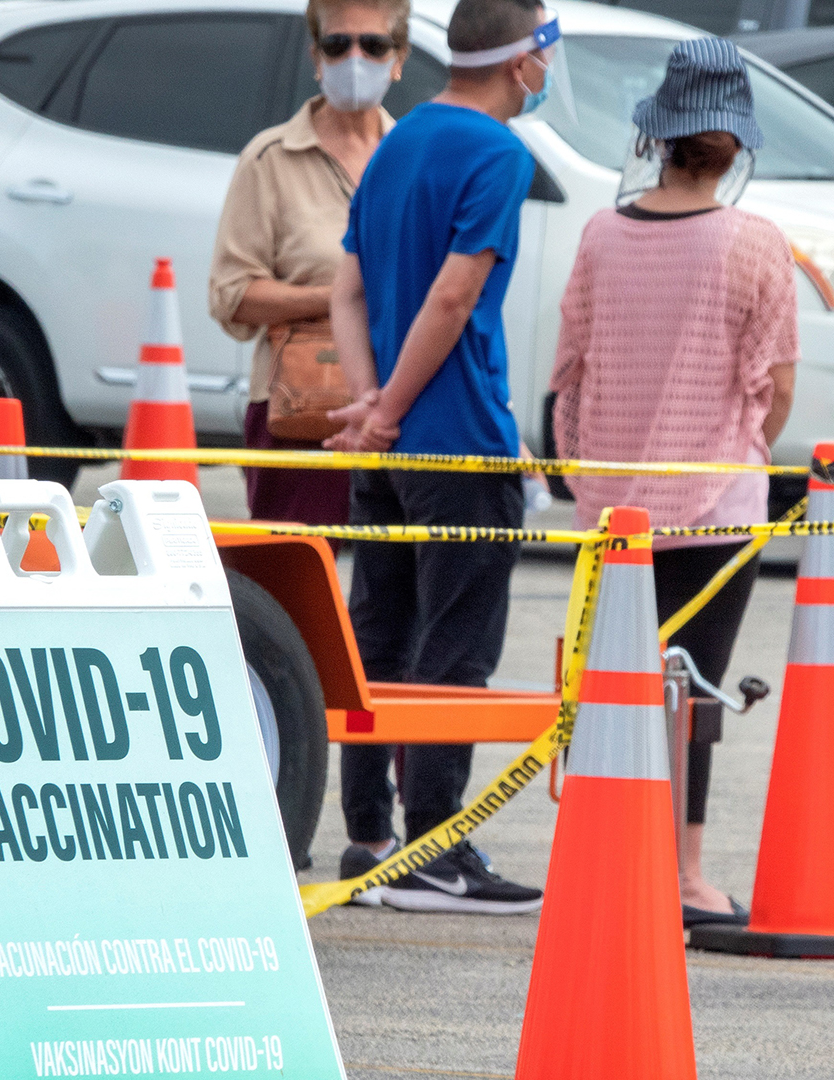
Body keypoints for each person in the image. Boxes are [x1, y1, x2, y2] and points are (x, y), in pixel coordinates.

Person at [548, 38, 796, 929]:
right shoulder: (756, 244)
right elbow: (774, 387)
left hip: (610, 507)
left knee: (616, 682)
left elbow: (569, 369)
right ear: (734, 148)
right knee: (695, 691)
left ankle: (610, 853)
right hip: (716, 506)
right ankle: (686, 871)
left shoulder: (601, 234)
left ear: (658, 139)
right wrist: (738, 446)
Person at [322, 0, 558, 915]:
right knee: (453, 650)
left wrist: (372, 402)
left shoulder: (401, 136)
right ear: (522, 61)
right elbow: (455, 297)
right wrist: (392, 409)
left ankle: (369, 838)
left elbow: (347, 290)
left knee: (379, 636)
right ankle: (433, 848)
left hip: (387, 450)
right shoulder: (498, 154)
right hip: (456, 440)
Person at [208, 0, 409, 526]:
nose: (356, 58)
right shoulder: (269, 158)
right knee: (292, 580)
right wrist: (338, 298)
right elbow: (231, 295)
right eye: (338, 44)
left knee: (392, 592)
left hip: (399, 400)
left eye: (374, 44)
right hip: (299, 402)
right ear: (316, 58)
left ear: (400, 57)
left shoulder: (413, 156)